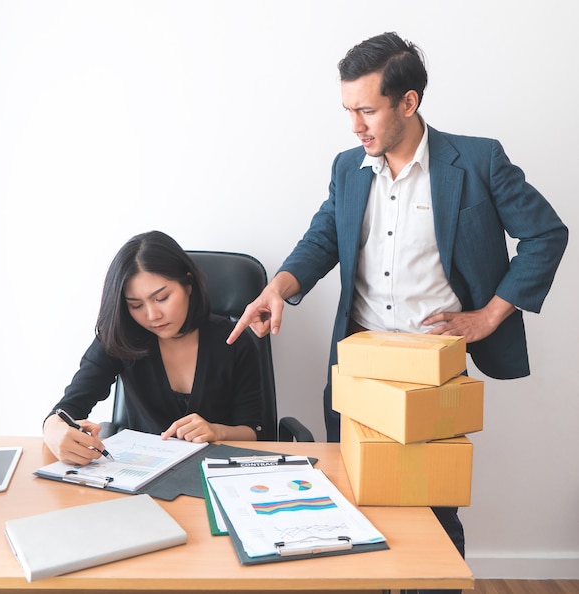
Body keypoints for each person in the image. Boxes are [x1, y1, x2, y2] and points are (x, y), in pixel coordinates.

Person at [227, 32, 568, 592]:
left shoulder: (477, 160)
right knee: (354, 498)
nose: (355, 126)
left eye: (366, 110)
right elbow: (322, 237)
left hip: (431, 372)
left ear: (408, 102)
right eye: (348, 111)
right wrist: (279, 286)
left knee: (432, 510)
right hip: (357, 366)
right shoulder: (348, 166)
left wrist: (488, 316)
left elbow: (546, 235)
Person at [44, 230, 263, 466]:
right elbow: (67, 408)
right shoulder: (121, 338)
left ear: (188, 284)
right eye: (136, 305)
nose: (152, 315)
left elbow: (254, 431)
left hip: (218, 471)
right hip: (142, 474)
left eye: (162, 298)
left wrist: (217, 431)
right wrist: (53, 429)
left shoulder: (234, 341)